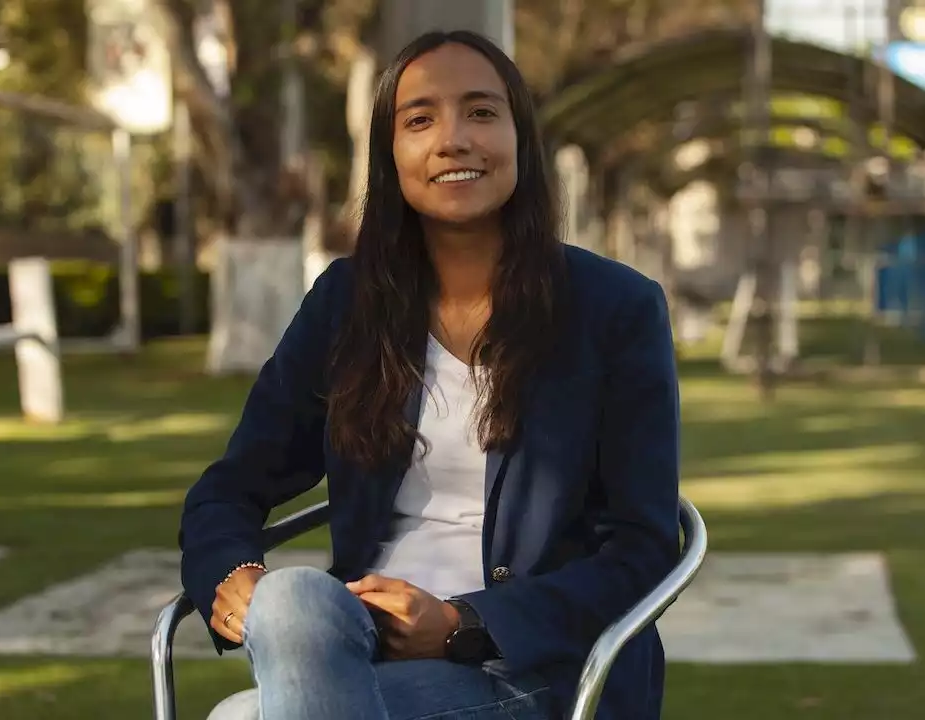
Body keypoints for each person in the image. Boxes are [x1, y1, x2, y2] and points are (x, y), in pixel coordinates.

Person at [180, 29, 681, 720]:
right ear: (390, 155)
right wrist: (233, 574)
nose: (452, 139)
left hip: (532, 673)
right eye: (420, 119)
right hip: (358, 644)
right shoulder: (346, 304)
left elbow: (643, 547)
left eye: (480, 111)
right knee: (292, 598)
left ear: (518, 138)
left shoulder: (614, 309)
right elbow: (229, 488)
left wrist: (462, 623)